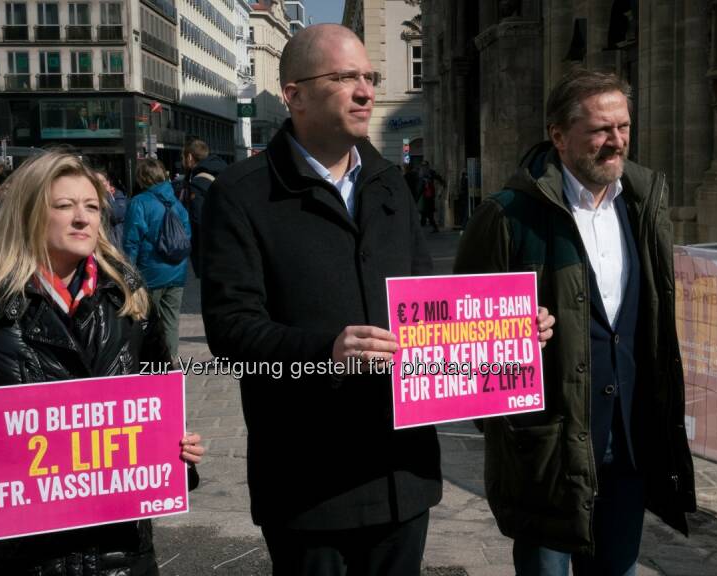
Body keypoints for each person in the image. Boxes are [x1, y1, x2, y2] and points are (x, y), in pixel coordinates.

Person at [201, 24, 555, 576]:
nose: (365, 90)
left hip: (401, 474)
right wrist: (326, 350)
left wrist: (502, 333)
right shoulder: (242, 193)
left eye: (369, 76)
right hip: (308, 484)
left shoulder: (390, 182)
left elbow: (428, 310)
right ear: (293, 94)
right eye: (345, 77)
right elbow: (230, 333)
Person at [454, 68, 696, 575]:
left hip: (629, 438)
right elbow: (460, 345)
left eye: (624, 127)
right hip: (548, 451)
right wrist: (507, 339)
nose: (616, 142)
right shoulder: (508, 216)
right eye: (600, 130)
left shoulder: (643, 204)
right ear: (559, 136)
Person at [0, 151, 204, 575]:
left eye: (91, 207)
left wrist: (179, 452)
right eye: (64, 206)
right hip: (23, 558)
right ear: (31, 213)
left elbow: (159, 403)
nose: (82, 219)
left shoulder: (131, 304)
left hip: (119, 555)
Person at [122, 159, 189, 365]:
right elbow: (186, 236)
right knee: (171, 320)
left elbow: (132, 241)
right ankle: (171, 361)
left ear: (142, 178)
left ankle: (149, 363)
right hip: (176, 272)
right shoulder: (176, 202)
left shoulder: (139, 202)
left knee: (144, 322)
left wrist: (127, 272)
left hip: (149, 274)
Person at [181, 138, 227, 278]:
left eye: (183, 157)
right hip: (226, 243)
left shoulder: (197, 183)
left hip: (210, 252)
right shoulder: (222, 171)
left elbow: (198, 220)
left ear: (189, 157)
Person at [96, 171, 128, 250]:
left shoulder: (117, 195)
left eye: (101, 181)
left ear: (107, 182)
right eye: (96, 182)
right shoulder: (91, 197)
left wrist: (106, 194)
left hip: (114, 243)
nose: (99, 184)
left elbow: (116, 215)